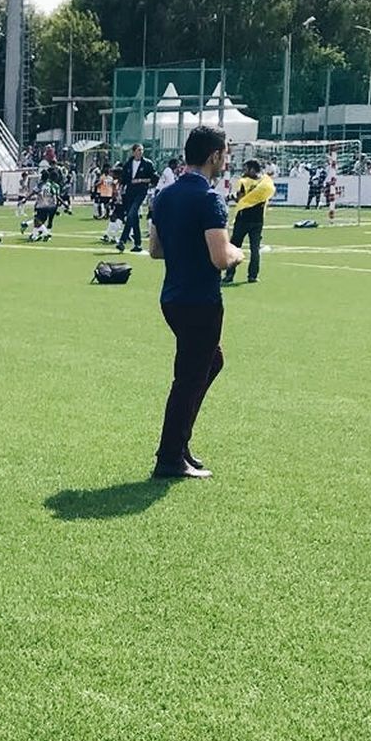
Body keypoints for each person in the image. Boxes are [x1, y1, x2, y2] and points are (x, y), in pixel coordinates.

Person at [147, 124, 245, 480]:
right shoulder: (209, 198)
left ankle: (179, 444)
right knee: (188, 378)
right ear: (214, 156)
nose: (226, 161)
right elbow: (220, 257)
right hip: (200, 300)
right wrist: (238, 253)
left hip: (172, 298)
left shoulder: (164, 196)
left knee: (210, 362)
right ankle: (170, 457)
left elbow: (155, 250)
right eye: (225, 154)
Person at [225, 157, 274, 284]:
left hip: (243, 218)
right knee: (255, 249)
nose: (244, 171)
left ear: (252, 169)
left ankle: (229, 275)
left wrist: (229, 197)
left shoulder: (245, 181)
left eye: (246, 168)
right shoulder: (266, 182)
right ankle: (253, 276)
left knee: (234, 247)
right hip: (258, 220)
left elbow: (240, 197)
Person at [115, 144, 156, 252]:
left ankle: (122, 240)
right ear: (133, 152)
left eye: (141, 150)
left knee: (131, 213)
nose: (140, 152)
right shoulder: (128, 164)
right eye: (138, 150)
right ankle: (137, 244)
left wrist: (141, 180)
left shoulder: (147, 164)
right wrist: (119, 192)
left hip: (141, 192)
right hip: (130, 192)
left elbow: (154, 178)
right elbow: (124, 179)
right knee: (134, 217)